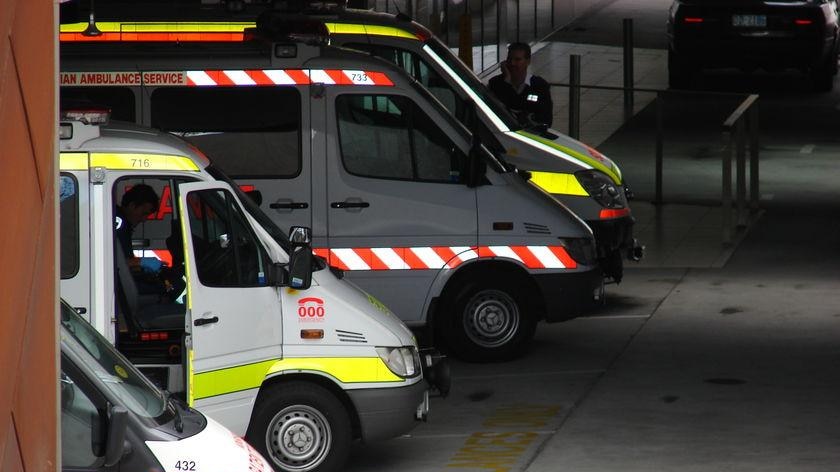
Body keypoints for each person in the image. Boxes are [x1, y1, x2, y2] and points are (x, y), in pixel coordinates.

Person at [488, 42, 554, 128]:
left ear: (528, 61)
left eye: (517, 60)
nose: (512, 63)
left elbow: (546, 119)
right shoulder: (496, 83)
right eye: (509, 59)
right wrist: (507, 81)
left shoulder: (540, 86)